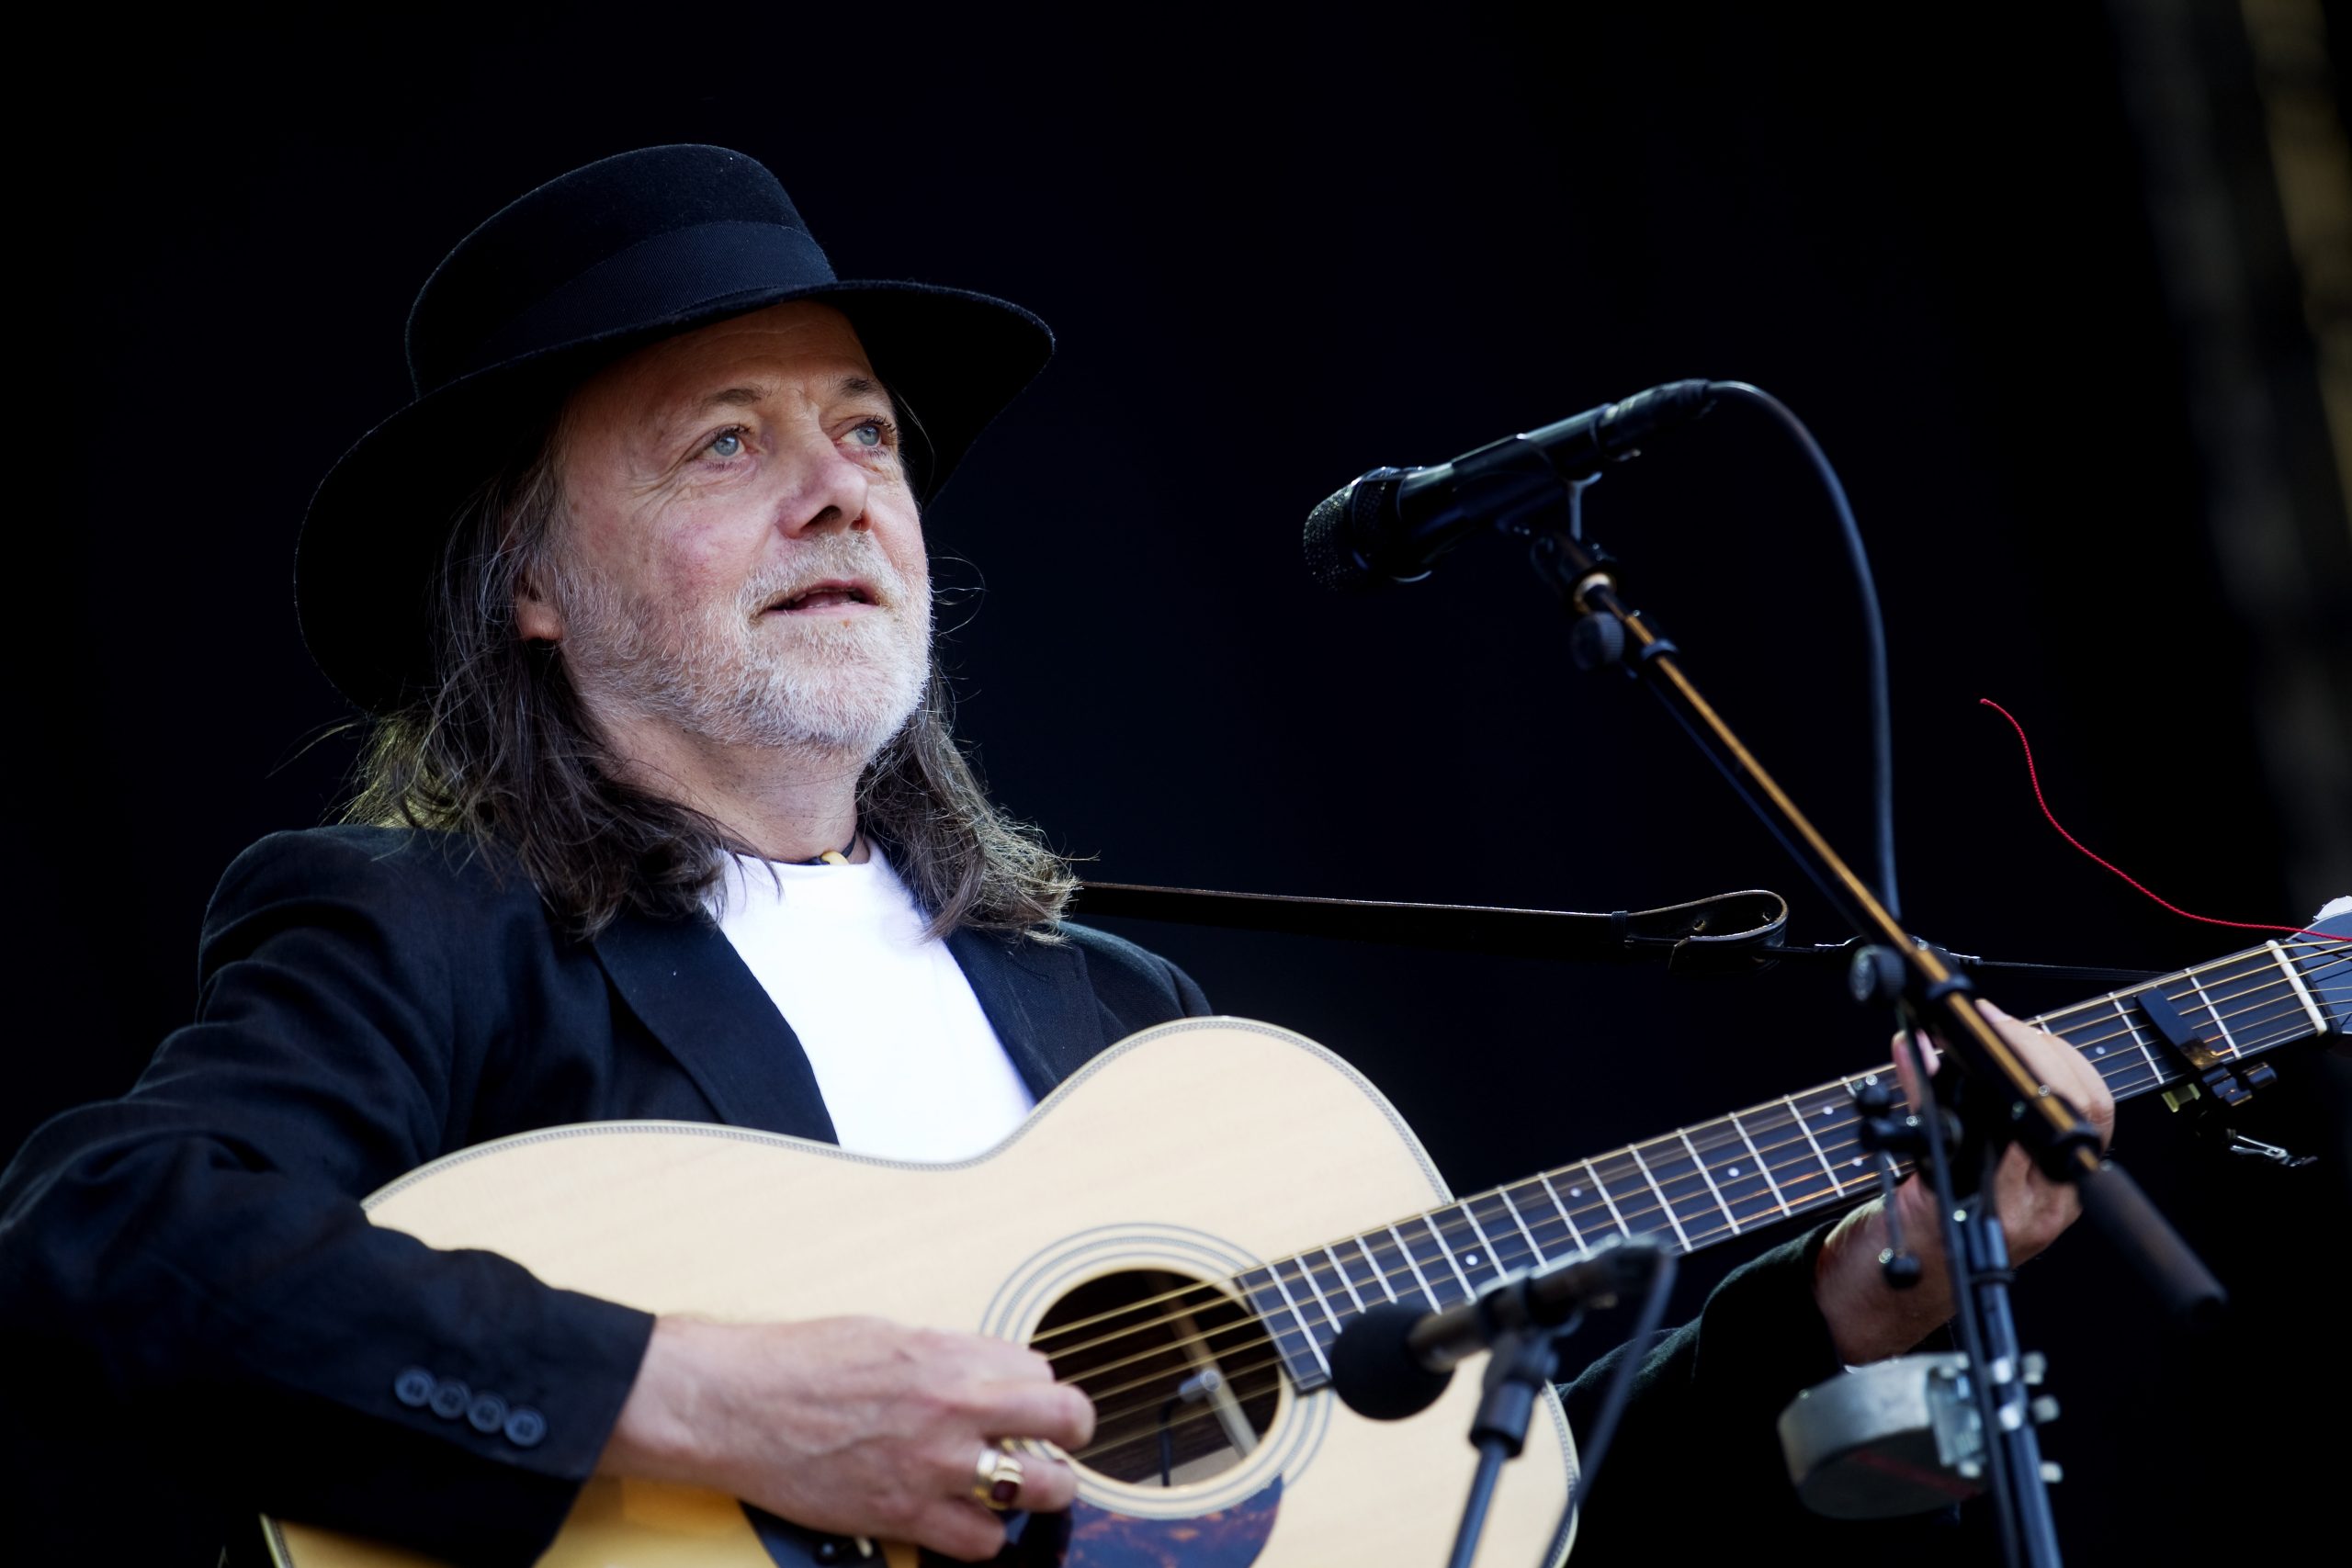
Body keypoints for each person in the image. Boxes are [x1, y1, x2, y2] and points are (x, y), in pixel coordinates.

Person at [0, 145, 2110, 1566]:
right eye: (726, 439)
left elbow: (1447, 1509)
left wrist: (1847, 1295)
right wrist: (713, 1399)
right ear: (530, 581)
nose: (838, 490)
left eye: (866, 432)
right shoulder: (427, 930)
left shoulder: (1119, 1028)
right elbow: (110, 1235)